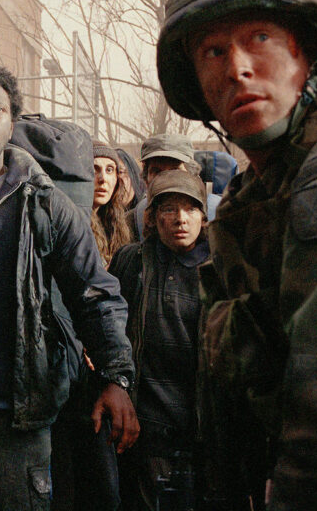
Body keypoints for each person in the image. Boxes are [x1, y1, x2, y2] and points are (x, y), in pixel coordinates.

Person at [156, 0, 317, 509]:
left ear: (306, 50)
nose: (236, 67)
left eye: (259, 38)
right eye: (211, 51)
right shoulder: (257, 192)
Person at [0, 61, 138, 511]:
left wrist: (117, 378)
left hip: (13, 420)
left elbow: (94, 292)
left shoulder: (45, 202)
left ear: (12, 120)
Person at [108, 170, 211, 511]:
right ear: (152, 217)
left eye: (190, 209)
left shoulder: (219, 269)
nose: (180, 218)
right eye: (169, 209)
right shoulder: (132, 260)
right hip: (140, 431)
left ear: (203, 216)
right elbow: (110, 328)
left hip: (199, 433)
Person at [91, 141, 133, 265]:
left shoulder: (115, 222)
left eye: (109, 170)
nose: (103, 179)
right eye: (94, 169)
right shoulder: (75, 223)